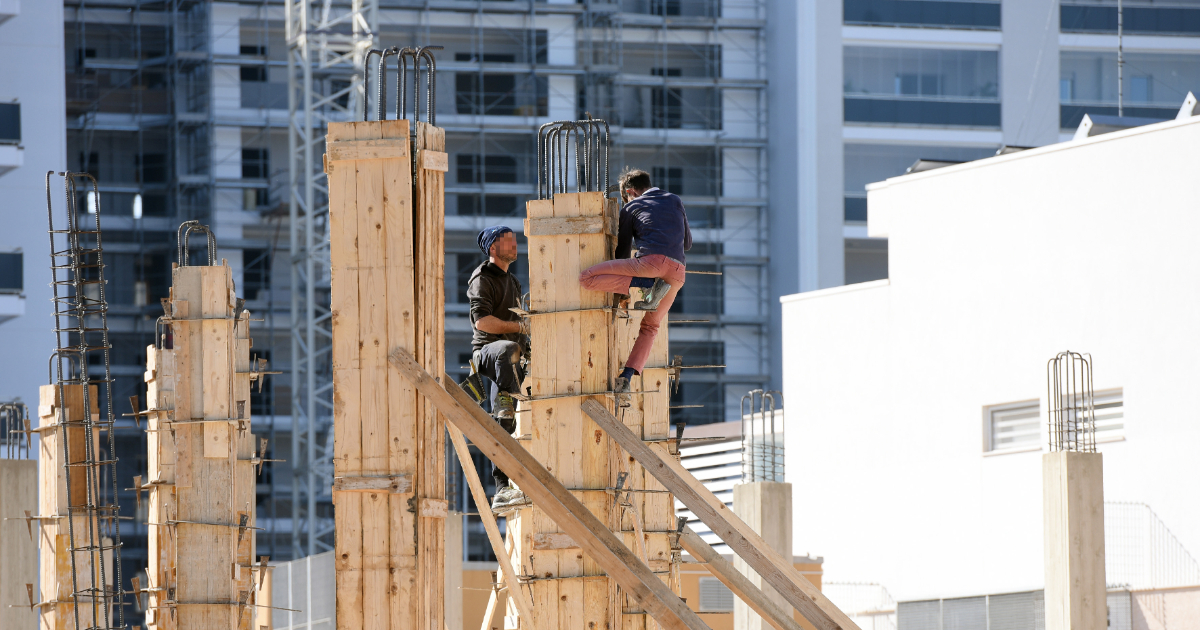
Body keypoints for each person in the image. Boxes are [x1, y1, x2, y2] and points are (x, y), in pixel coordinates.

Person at [579, 169, 691, 393]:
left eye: (625, 197)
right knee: (651, 327)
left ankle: (649, 285)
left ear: (630, 192)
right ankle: (627, 377)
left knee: (586, 278)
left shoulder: (630, 207)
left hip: (650, 266)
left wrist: (625, 290)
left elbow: (622, 251)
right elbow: (687, 243)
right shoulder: (675, 200)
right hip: (678, 272)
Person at [467, 225, 529, 513]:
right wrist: (518, 327)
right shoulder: (483, 278)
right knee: (506, 348)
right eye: (508, 242)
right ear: (493, 248)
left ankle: (503, 487)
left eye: (515, 241)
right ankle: (505, 401)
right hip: (489, 354)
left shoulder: (513, 282)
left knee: (505, 425)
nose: (515, 246)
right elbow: (482, 323)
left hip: (511, 358)